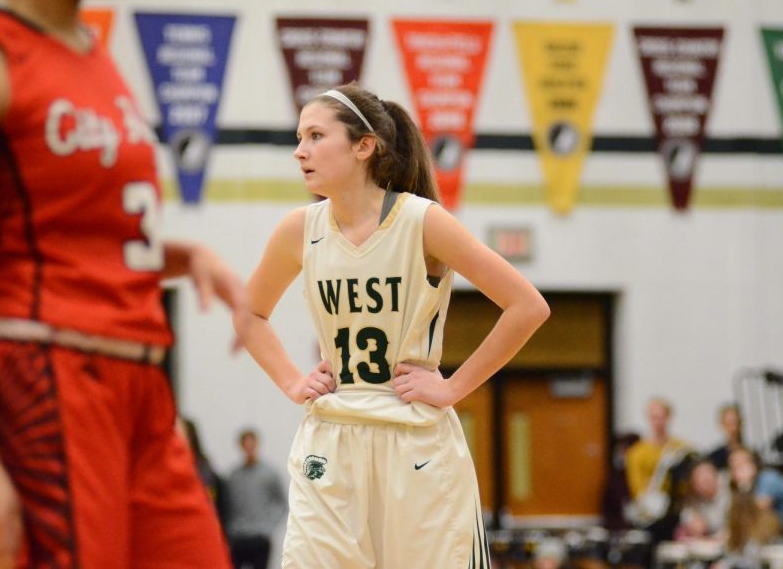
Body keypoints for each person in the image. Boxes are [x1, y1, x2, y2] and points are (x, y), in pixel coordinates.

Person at [0, 0, 246, 567]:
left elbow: (65, 224)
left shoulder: (93, 53)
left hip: (143, 386)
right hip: (50, 372)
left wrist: (178, 255)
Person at [235, 83, 550, 567]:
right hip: (334, 436)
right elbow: (249, 314)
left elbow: (527, 306)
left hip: (413, 438)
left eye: (316, 135)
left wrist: (453, 388)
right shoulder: (300, 229)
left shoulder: (422, 221)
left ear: (364, 147)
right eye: (300, 137)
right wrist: (293, 381)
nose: (300, 151)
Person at [624, 398, 693, 540]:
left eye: (661, 417)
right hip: (650, 516)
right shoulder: (636, 453)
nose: (658, 422)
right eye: (653, 417)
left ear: (668, 417)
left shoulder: (682, 448)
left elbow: (689, 483)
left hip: (677, 513)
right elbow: (637, 489)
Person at [224, 428, 287, 569]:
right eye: (246, 445)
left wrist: (268, 526)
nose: (249, 448)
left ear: (257, 444)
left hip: (260, 537)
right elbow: (227, 506)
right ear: (241, 446)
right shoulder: (233, 476)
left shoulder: (269, 474)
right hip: (239, 537)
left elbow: (281, 503)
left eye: (251, 444)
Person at [727, 447, 783, 533]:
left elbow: (756, 513)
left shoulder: (768, 478)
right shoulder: (738, 487)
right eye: (734, 467)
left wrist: (744, 486)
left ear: (754, 464)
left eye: (742, 465)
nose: (738, 471)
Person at [675, 459, 730, 542]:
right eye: (699, 476)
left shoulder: (730, 490)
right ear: (693, 483)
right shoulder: (692, 500)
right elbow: (687, 517)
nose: (706, 479)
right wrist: (691, 523)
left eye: (708, 473)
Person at [706, 403, 743, 471]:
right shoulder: (714, 458)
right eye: (729, 423)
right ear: (722, 425)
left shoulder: (751, 453)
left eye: (736, 422)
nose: (733, 428)